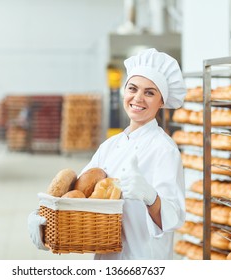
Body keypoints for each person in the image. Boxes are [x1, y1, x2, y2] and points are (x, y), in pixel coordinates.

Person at [28, 48, 186, 259]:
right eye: (133, 88)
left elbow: (173, 218)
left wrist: (150, 196)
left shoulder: (165, 149)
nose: (138, 98)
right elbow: (78, 197)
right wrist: (45, 218)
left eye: (149, 92)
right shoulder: (110, 146)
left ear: (162, 102)